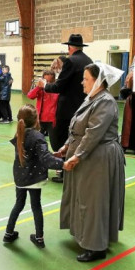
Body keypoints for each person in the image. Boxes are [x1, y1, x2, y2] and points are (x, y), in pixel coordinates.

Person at [57, 63, 125, 262]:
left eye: (86, 79)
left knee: (93, 201)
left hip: (98, 156)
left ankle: (96, 247)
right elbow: (77, 127)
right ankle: (88, 236)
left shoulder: (105, 102)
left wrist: (77, 155)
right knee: (84, 198)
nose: (82, 82)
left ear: (98, 81)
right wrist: (66, 146)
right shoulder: (92, 98)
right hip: (89, 154)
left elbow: (93, 133)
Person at [3, 104, 65, 248]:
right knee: (36, 206)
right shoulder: (38, 136)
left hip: (20, 176)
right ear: (36, 120)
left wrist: (50, 154)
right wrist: (63, 163)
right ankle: (39, 237)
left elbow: (41, 155)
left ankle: (8, 233)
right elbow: (46, 160)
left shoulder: (19, 133)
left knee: (18, 204)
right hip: (34, 178)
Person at [37, 34, 93, 183]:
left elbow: (59, 86)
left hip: (67, 109)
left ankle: (63, 171)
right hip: (83, 106)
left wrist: (45, 85)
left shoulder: (70, 61)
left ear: (69, 47)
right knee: (78, 139)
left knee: (60, 140)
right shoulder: (88, 60)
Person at [27, 70, 59, 141]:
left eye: (50, 81)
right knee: (36, 140)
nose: (48, 83)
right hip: (40, 119)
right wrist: (38, 87)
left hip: (52, 120)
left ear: (54, 80)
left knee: (54, 141)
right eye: (46, 81)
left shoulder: (56, 90)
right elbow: (30, 96)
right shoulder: (40, 90)